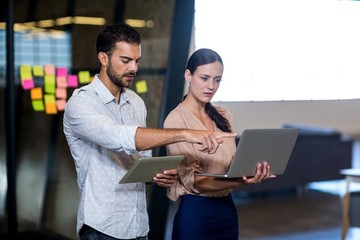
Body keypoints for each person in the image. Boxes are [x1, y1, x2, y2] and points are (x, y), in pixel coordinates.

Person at [63, 23, 236, 240]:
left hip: (139, 227)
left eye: (137, 61)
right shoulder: (81, 103)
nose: (134, 68)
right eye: (126, 61)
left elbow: (140, 164)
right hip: (102, 228)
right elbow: (120, 137)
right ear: (104, 59)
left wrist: (158, 176)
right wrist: (187, 134)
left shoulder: (136, 103)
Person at [163, 48, 276, 240]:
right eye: (204, 78)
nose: (211, 86)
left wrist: (251, 170)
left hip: (226, 210)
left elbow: (232, 165)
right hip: (196, 214)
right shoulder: (175, 122)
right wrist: (240, 181)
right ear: (188, 75)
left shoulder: (224, 116)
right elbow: (195, 182)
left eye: (217, 80)